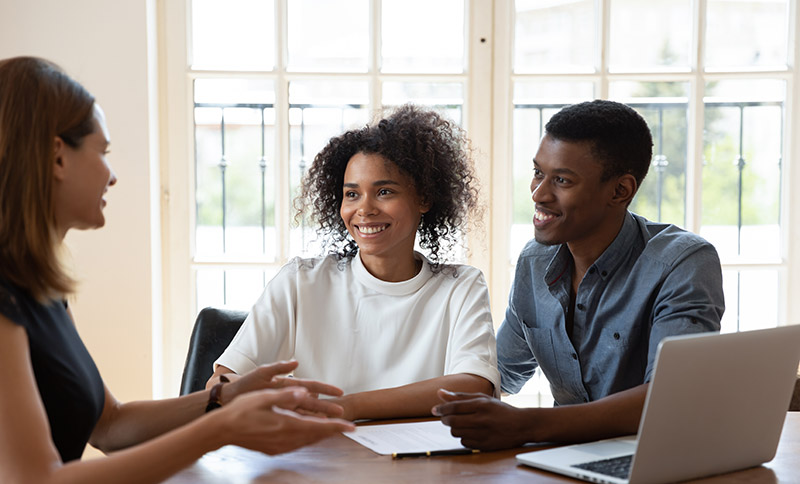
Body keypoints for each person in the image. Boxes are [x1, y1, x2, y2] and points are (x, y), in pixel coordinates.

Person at [0, 56, 354, 484]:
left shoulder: (37, 289)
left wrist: (225, 397)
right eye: (103, 152)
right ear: (58, 157)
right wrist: (222, 427)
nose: (111, 176)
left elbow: (110, 425)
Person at [433, 99, 725, 450]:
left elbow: (670, 398)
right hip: (563, 458)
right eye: (538, 173)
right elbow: (500, 371)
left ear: (620, 191)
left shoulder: (683, 262)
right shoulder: (535, 261)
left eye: (562, 181)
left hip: (653, 458)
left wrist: (528, 425)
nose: (538, 194)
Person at [209, 104, 500, 420]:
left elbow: (474, 385)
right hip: (323, 455)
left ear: (424, 199)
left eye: (384, 191)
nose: (364, 209)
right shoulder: (301, 281)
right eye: (352, 195)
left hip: (421, 463)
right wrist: (252, 393)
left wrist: (345, 406)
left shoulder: (461, 287)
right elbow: (223, 381)